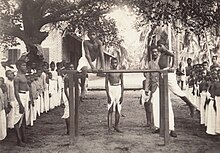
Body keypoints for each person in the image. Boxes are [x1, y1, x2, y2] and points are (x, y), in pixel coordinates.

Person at [157, 40, 195, 117]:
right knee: (164, 91)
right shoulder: (162, 53)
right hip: (163, 74)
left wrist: (172, 67)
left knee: (177, 91)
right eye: (158, 46)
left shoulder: (165, 51)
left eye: (160, 46)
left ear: (163, 46)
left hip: (168, 74)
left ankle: (191, 105)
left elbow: (174, 55)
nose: (158, 48)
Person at [145, 46, 176, 137]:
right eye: (153, 52)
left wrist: (172, 67)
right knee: (156, 107)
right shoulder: (150, 63)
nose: (154, 53)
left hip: (163, 85)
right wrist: (147, 89)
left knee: (168, 106)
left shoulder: (163, 60)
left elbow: (172, 59)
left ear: (158, 52)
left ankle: (171, 128)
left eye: (156, 52)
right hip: (155, 87)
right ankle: (158, 127)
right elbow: (148, 76)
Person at [77, 29, 105, 98]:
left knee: (97, 71)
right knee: (84, 69)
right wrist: (92, 67)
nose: (92, 36)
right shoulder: (86, 42)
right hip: (85, 59)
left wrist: (102, 67)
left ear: (96, 35)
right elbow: (87, 55)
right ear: (88, 36)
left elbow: (101, 55)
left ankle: (83, 85)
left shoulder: (99, 43)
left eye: (93, 34)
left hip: (93, 60)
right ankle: (83, 87)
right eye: (90, 35)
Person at [105, 58, 124, 134]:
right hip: (111, 89)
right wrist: (108, 95)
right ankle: (109, 128)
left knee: (118, 109)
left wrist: (122, 94)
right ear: (111, 63)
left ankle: (116, 126)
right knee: (110, 109)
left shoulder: (120, 71)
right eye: (113, 63)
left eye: (116, 63)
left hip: (118, 89)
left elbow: (122, 83)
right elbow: (106, 84)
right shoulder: (108, 72)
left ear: (117, 63)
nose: (114, 64)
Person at [14, 59, 30, 146]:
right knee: (17, 119)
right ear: (19, 67)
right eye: (23, 65)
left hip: (25, 96)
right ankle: (19, 140)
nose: (25, 67)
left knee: (23, 118)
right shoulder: (17, 78)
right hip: (20, 96)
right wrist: (20, 103)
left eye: (25, 65)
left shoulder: (24, 75)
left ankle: (24, 138)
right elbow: (16, 91)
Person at [62, 63, 75, 135]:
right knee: (67, 111)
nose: (71, 69)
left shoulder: (74, 76)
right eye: (70, 68)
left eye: (72, 67)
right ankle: (68, 129)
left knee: (73, 111)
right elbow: (65, 89)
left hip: (72, 92)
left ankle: (72, 128)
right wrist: (68, 98)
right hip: (67, 93)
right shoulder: (66, 77)